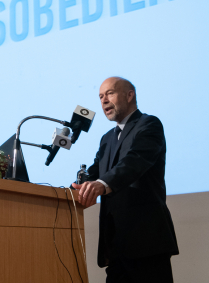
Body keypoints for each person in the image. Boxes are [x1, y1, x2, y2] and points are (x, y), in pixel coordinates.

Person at [72, 77, 178, 283]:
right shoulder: (106, 138)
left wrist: (101, 185)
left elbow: (135, 161)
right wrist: (75, 189)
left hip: (146, 241)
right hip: (116, 244)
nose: (103, 101)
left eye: (109, 93)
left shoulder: (149, 124)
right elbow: (95, 172)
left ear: (130, 95)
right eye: (100, 96)